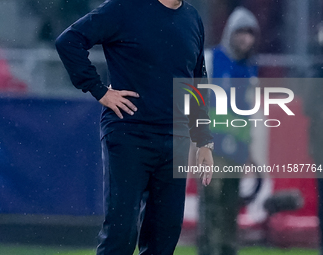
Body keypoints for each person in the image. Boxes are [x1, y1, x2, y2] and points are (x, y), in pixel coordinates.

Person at [55, 0, 214, 254]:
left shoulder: (192, 18)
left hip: (176, 140)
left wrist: (204, 140)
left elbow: (198, 82)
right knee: (121, 234)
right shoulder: (124, 8)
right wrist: (100, 90)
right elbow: (69, 41)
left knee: (165, 238)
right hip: (129, 134)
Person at [196, 7, 260, 255]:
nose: (247, 39)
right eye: (242, 32)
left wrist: (250, 152)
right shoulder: (212, 60)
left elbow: (247, 115)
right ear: (230, 33)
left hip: (236, 152)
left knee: (229, 210)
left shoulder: (250, 69)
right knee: (211, 208)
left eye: (251, 34)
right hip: (212, 149)